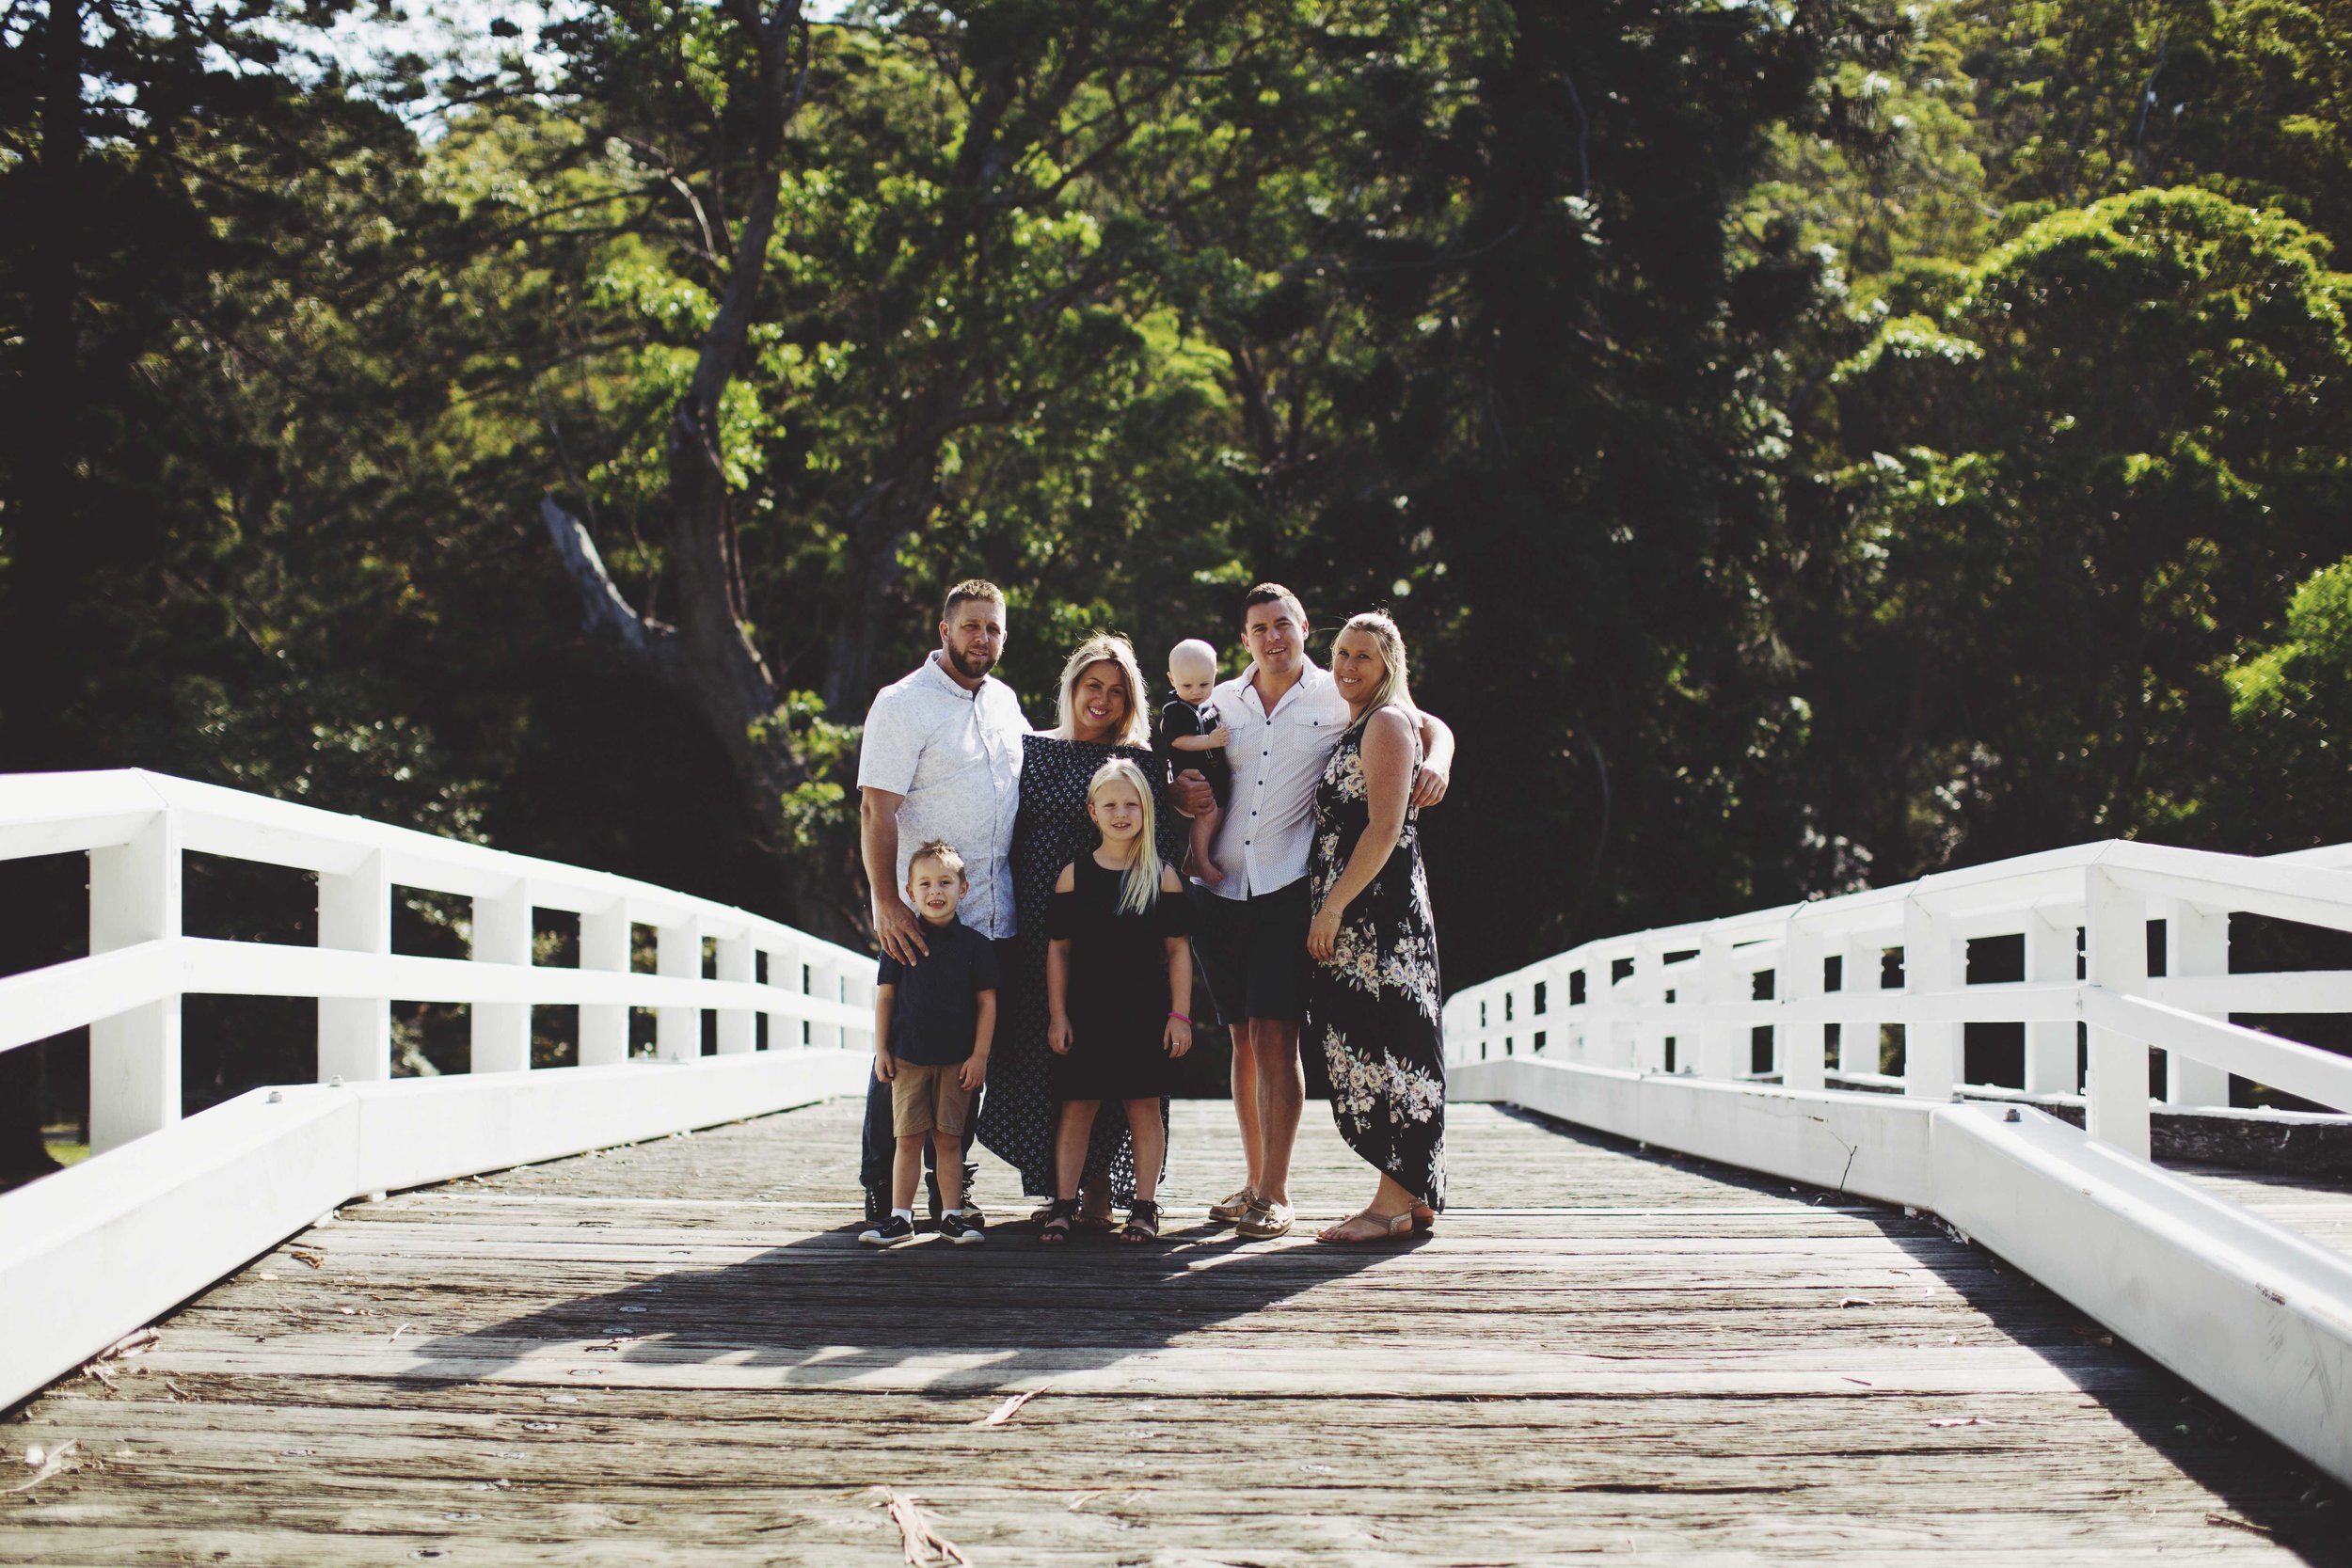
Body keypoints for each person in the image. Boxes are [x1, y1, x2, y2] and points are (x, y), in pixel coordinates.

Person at [1170, 585, 1454, 1241]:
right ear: (1244, 638)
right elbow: (1180, 765)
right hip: (1222, 892)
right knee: (1241, 1042)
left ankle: (1276, 1190)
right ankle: (1252, 1182)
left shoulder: (1343, 691)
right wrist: (1181, 792)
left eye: (1283, 625)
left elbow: (1423, 722)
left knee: (1277, 1040)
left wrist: (1439, 759)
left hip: (1290, 891)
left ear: (1302, 628)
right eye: (1258, 628)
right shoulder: (1219, 703)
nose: (1272, 637)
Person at [980, 633, 1186, 1226]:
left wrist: (1193, 796)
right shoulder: (1030, 750)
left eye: (1116, 692)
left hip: (1117, 934)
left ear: (1130, 701)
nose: (1102, 699)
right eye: (1093, 685)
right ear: (1072, 686)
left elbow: (1161, 845)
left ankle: (1103, 1189)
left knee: (1124, 1069)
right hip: (1041, 927)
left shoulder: (1142, 760)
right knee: (1051, 1058)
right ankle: (1060, 1192)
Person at [855, 580, 1026, 1229]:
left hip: (989, 916)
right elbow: (877, 806)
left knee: (964, 1062)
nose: (982, 637)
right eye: (971, 625)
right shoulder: (903, 703)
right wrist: (884, 901)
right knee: (902, 1054)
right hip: (921, 918)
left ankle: (949, 1190)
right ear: (944, 629)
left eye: (993, 628)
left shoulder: (1006, 703)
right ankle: (881, 1189)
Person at [1303, 613, 1447, 1242]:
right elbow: (1435, 725)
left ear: (1389, 663)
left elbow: (1385, 827)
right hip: (1366, 909)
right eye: (1340, 653)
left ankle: (1391, 1201)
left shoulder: (1385, 722)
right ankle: (1410, 1194)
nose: (1347, 666)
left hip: (1378, 914)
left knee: (1391, 1045)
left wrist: (1332, 906)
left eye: (1363, 656)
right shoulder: (1371, 720)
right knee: (1375, 1039)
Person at [1039, 759, 1195, 1243]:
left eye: (1131, 804)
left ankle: (1145, 1207)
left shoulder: (1163, 877)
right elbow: (1058, 950)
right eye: (1110, 804)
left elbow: (1178, 952)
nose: (1121, 813)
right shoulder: (1073, 877)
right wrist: (1058, 1014)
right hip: (1085, 1013)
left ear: (1147, 811)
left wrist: (1180, 1016)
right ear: (1092, 811)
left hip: (1145, 1014)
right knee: (1077, 1108)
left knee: (1144, 1107)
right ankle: (1063, 1205)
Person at [861, 841, 1000, 1248]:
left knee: (949, 1139)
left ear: (964, 888)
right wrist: (882, 1050)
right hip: (908, 1058)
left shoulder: (976, 946)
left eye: (944, 882)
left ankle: (952, 1216)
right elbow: (886, 998)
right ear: (910, 892)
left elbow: (987, 1003)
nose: (935, 891)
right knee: (907, 1138)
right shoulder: (899, 941)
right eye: (925, 884)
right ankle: (901, 1217)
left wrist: (980, 1056)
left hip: (958, 1062)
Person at [1157, 639, 1232, 886]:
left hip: (1211, 769)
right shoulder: (1175, 708)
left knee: (1217, 813)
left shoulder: (1209, 702)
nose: (1196, 691)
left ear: (1215, 674)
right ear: (1172, 680)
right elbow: (1178, 741)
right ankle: (1201, 861)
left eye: (1204, 683)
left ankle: (1192, 858)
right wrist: (1209, 741)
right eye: (1187, 685)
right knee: (1208, 813)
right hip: (1191, 771)